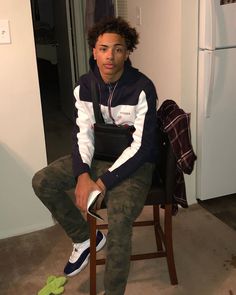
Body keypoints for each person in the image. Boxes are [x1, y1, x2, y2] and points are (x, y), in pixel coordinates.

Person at [32, 16, 158, 295]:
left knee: (120, 216)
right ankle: (85, 239)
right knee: (42, 181)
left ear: (127, 52)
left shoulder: (142, 88)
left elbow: (142, 147)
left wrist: (101, 184)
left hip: (135, 163)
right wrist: (82, 175)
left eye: (117, 49)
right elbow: (83, 135)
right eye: (103, 48)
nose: (109, 56)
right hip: (99, 155)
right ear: (94, 51)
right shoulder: (85, 86)